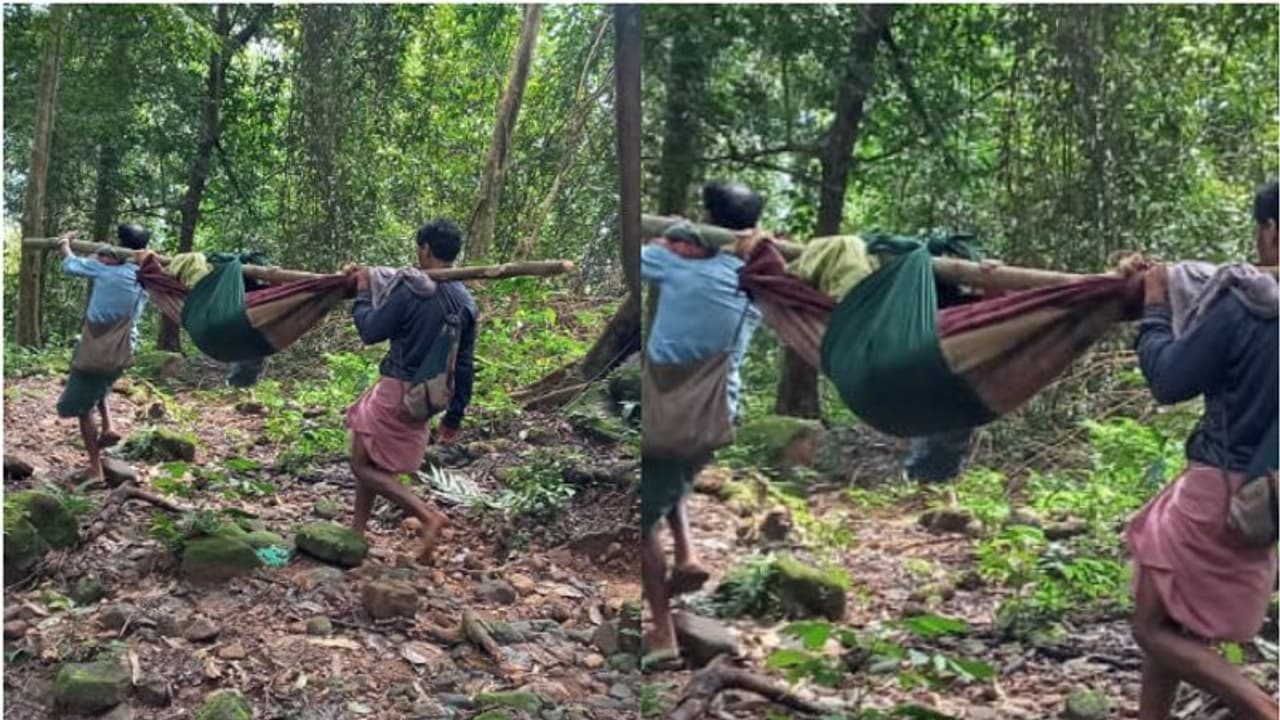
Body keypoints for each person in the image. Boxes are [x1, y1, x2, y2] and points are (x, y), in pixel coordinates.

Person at [1123, 181, 1278, 720]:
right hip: (1269, 495)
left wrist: (1156, 309)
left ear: (1270, 232)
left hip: (1218, 490)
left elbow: (1169, 380)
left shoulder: (1249, 305)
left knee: (1149, 628)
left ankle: (1261, 709)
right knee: (1169, 621)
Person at [640, 181, 763, 666]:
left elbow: (639, 252)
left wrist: (668, 236)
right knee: (671, 478)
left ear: (707, 220)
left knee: (641, 520)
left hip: (667, 409)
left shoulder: (676, 263)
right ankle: (688, 553)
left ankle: (663, 634)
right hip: (713, 415)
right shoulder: (757, 279)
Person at [345, 219, 477, 563]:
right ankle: (356, 533)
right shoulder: (466, 301)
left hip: (396, 388)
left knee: (361, 464)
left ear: (425, 249)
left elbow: (371, 331)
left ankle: (428, 516)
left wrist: (361, 293)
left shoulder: (413, 289)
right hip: (429, 397)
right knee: (374, 462)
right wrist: (456, 414)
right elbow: (464, 363)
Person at [55, 224, 152, 481]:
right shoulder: (145, 276)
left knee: (81, 407)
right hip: (124, 349)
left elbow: (70, 265)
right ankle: (109, 426)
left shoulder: (104, 270)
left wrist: (64, 242)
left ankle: (95, 468)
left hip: (97, 347)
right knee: (100, 384)